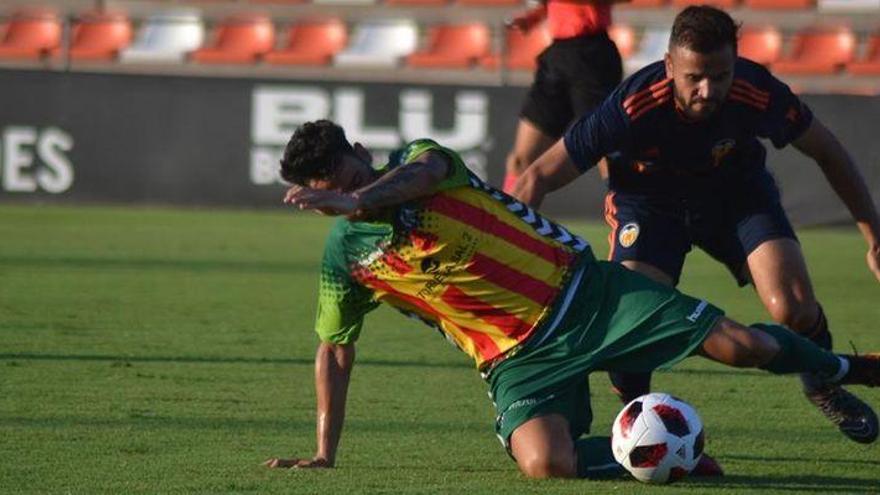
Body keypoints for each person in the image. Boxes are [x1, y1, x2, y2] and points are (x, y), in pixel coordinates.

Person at [264, 119, 880, 479]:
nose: (349, 195)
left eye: (350, 178)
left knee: (742, 346)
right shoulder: (345, 257)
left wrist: (358, 199)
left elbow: (417, 181)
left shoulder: (424, 160)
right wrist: (324, 452)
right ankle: (672, 458)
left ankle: (847, 369)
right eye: (331, 196)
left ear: (363, 154)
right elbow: (334, 351)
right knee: (544, 463)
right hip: (515, 357)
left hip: (586, 294)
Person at [511, 6, 880, 444]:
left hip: (736, 196)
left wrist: (874, 237)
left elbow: (828, 150)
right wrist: (519, 261)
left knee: (794, 306)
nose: (708, 90)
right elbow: (537, 177)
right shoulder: (630, 105)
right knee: (634, 324)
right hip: (650, 205)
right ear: (669, 66)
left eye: (720, 75)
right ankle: (638, 424)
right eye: (694, 78)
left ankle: (822, 381)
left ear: (735, 62)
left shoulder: (756, 89)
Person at [501, 0, 629, 193]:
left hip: (592, 55)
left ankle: (629, 216)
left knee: (607, 152)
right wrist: (533, 17)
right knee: (520, 160)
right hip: (558, 55)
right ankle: (505, 221)